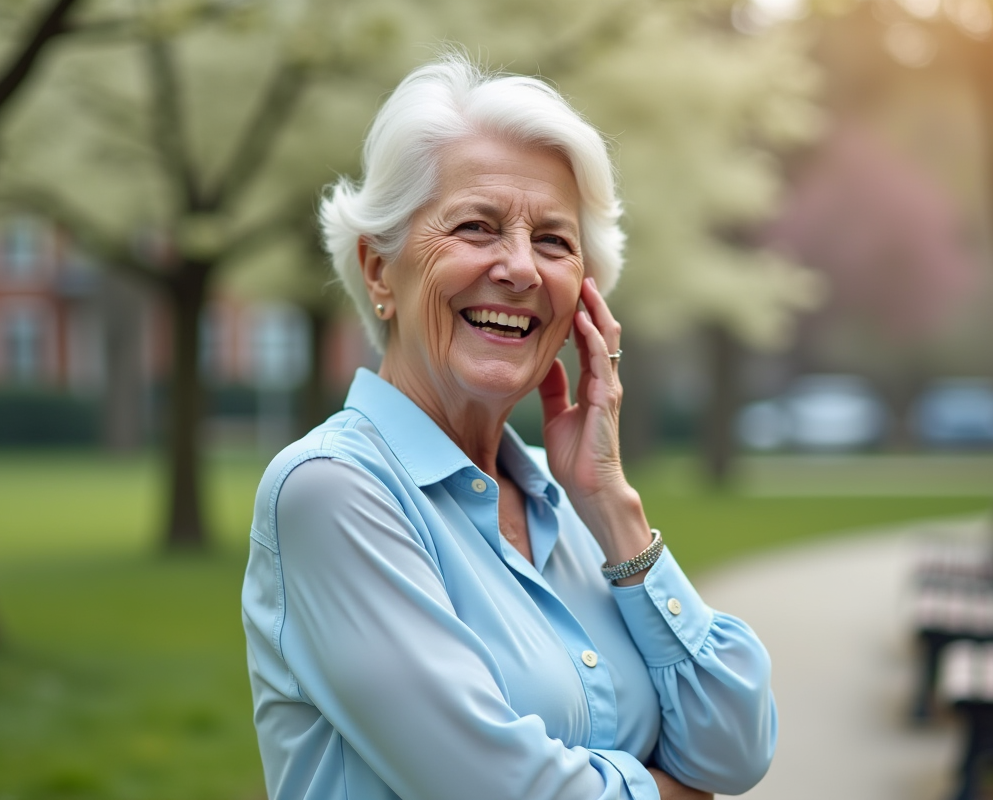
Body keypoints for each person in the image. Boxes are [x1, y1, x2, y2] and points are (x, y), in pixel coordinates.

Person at [241, 53, 777, 800]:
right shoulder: (332, 493)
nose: (520, 268)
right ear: (377, 270)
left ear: (583, 301)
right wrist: (665, 789)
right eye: (476, 227)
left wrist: (613, 506)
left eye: (554, 241)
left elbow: (735, 746)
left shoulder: (573, 505)